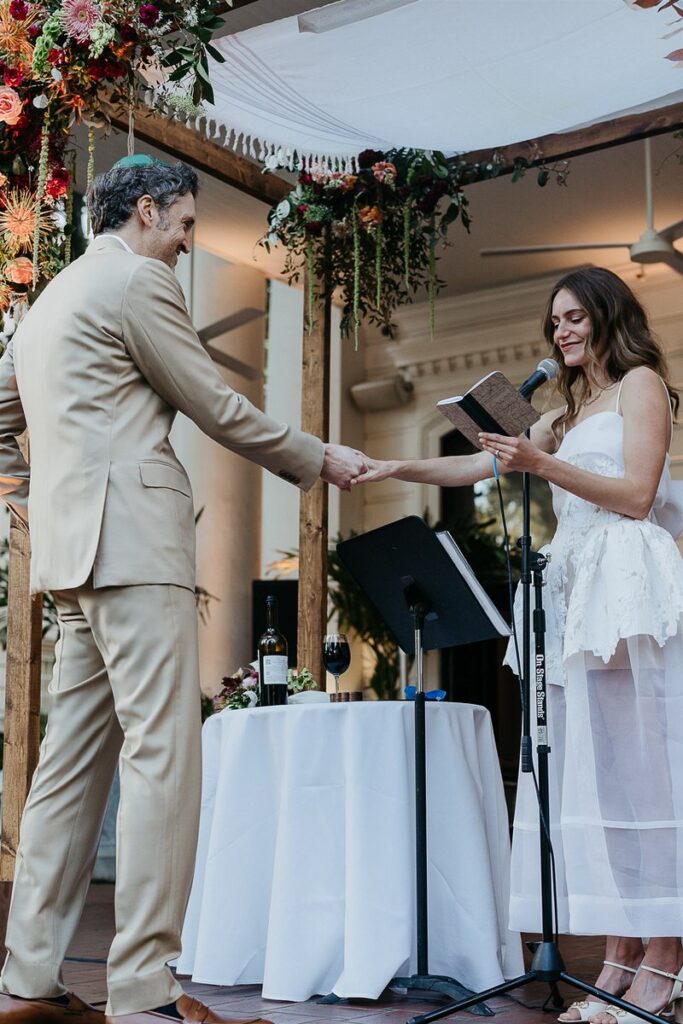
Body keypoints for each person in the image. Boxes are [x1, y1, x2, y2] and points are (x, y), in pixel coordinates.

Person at [0, 154, 365, 1024]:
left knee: (67, 771)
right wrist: (319, 457)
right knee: (165, 759)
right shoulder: (136, 281)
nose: (190, 244)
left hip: (71, 556)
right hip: (135, 544)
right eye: (188, 225)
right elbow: (213, 403)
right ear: (149, 210)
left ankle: (28, 979)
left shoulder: (48, 298)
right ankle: (143, 988)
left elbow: (2, 421)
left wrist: (38, 493)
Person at [355, 267, 683, 1024]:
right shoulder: (564, 414)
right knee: (592, 781)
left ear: (607, 315)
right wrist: (391, 466)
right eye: (554, 321)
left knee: (641, 774)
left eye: (573, 317)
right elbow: (477, 463)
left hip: (625, 583)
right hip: (571, 590)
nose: (561, 331)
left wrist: (540, 463)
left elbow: (636, 494)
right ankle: (616, 956)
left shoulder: (639, 384)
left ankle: (664, 957)